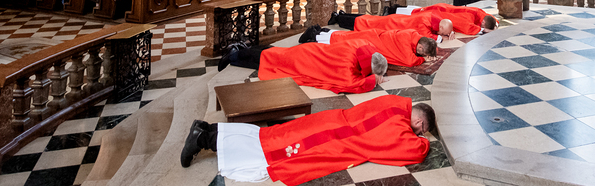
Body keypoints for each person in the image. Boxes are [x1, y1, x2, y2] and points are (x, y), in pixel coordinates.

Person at [180, 95, 434, 181]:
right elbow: (416, 151)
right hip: (332, 140)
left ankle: (209, 129)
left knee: (271, 135)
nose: (419, 134)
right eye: (421, 130)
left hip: (330, 120)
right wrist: (424, 139)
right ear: (419, 123)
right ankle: (202, 140)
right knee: (270, 151)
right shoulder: (400, 129)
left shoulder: (395, 101)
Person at [218, 41, 388, 94]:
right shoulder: (348, 69)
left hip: (309, 51)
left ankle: (240, 49)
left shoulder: (356, 47)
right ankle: (234, 54)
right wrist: (373, 79)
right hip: (303, 63)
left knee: (274, 54)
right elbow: (353, 85)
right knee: (268, 60)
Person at [300, 27, 437, 68]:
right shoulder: (406, 41)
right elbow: (409, 60)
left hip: (376, 35)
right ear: (420, 46)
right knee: (344, 42)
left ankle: (321, 32)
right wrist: (422, 60)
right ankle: (314, 36)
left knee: (346, 36)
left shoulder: (413, 34)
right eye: (421, 52)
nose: (420, 54)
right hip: (374, 42)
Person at [330, 10, 455, 40]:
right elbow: (425, 35)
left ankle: (343, 14)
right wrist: (440, 38)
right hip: (392, 24)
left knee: (368, 19)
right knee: (365, 23)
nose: (441, 34)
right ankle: (338, 18)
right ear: (440, 28)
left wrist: (450, 31)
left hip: (395, 21)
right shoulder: (425, 22)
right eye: (443, 32)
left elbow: (445, 22)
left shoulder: (434, 18)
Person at [383, 3, 498, 34]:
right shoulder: (469, 18)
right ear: (483, 22)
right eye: (482, 25)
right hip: (440, 13)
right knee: (416, 14)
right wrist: (483, 30)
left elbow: (492, 19)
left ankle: (396, 8)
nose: (481, 26)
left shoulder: (480, 13)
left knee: (419, 10)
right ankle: (392, 10)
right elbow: (467, 28)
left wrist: (495, 25)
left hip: (444, 9)